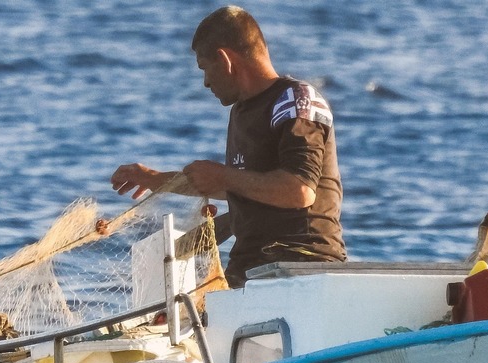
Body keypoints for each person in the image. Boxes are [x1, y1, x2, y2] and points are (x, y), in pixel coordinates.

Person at [110, 6, 346, 288]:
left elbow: (300, 190)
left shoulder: (295, 100)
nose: (206, 82)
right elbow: (244, 187)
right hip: (248, 271)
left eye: (204, 68)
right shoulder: (241, 112)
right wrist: (156, 180)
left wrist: (223, 176)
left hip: (303, 269)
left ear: (225, 59)